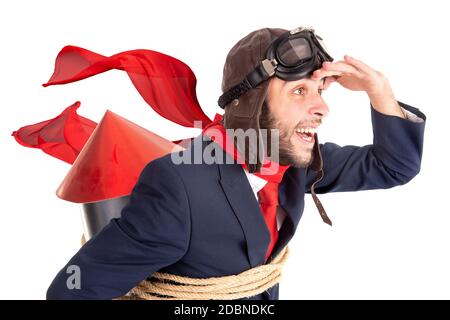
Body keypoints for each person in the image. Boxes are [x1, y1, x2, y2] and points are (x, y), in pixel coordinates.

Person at [46, 26, 425, 300]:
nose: (322, 107)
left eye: (320, 91)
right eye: (299, 91)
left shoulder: (296, 161)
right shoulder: (180, 185)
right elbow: (73, 289)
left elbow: (394, 165)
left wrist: (380, 92)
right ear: (252, 105)